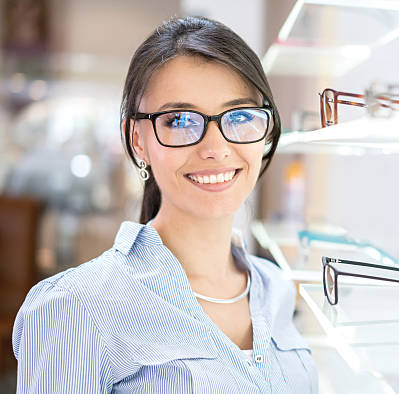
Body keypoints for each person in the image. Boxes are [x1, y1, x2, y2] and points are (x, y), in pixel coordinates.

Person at [12, 16, 318, 393]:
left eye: (239, 116)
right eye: (180, 120)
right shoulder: (79, 307)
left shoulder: (275, 290)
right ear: (136, 139)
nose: (215, 149)